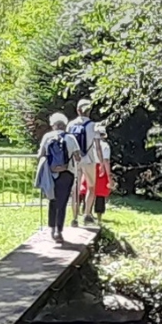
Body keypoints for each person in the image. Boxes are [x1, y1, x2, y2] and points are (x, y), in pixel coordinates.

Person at [35, 111, 80, 241]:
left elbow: (40, 155)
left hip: (51, 174)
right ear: (65, 125)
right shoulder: (71, 138)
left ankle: (52, 229)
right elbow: (77, 157)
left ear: (53, 124)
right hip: (67, 174)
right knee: (63, 202)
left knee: (52, 201)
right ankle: (59, 231)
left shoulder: (47, 136)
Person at [66, 98, 103, 228]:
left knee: (74, 190)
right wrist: (102, 163)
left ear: (78, 110)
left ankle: (74, 218)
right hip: (89, 160)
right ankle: (87, 214)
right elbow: (98, 147)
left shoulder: (70, 125)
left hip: (74, 160)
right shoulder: (94, 126)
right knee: (91, 187)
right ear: (90, 111)